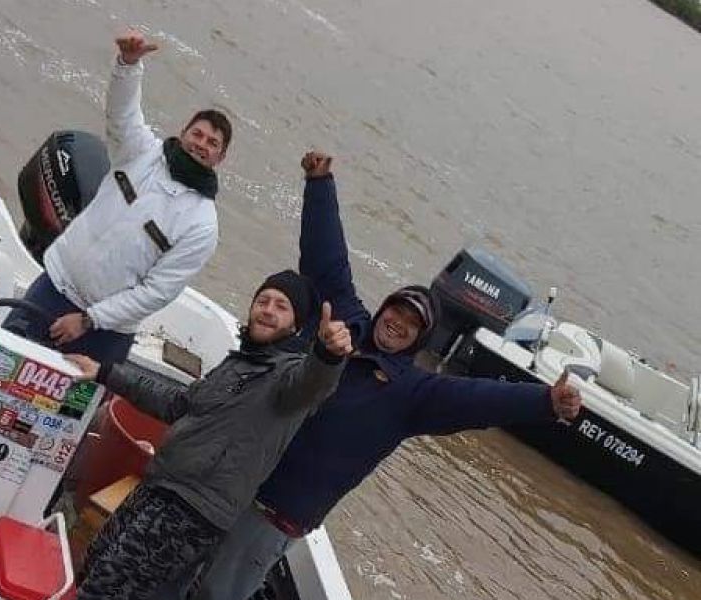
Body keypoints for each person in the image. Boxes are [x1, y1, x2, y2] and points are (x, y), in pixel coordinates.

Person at [187, 152, 583, 600]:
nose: (397, 323)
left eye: (411, 324)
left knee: (215, 595)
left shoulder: (413, 395)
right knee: (180, 570)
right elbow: (326, 257)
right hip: (234, 480)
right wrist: (320, 183)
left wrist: (545, 401)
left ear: (419, 338)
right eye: (395, 311)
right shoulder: (350, 321)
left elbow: (477, 398)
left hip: (275, 515)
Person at [65, 269, 354, 600]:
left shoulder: (289, 379)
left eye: (281, 306)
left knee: (106, 588)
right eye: (263, 300)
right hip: (159, 485)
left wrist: (328, 355)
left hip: (192, 511)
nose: (268, 310)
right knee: (96, 560)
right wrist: (105, 372)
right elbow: (177, 403)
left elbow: (314, 380)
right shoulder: (238, 364)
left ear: (296, 325)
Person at [6, 30, 232, 362]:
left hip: (103, 334)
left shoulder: (202, 225)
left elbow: (156, 292)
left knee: (57, 413)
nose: (202, 144)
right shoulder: (141, 151)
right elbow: (122, 113)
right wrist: (128, 64)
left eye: (213, 143)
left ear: (220, 159)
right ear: (183, 133)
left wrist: (89, 320)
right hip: (55, 287)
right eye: (197, 134)